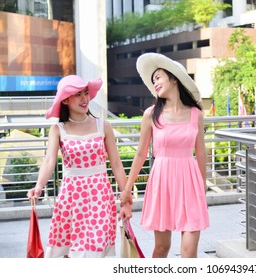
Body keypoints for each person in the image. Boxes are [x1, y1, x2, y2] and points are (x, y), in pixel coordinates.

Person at [119, 53, 209, 258]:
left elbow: (201, 152)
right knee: (162, 248)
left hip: (190, 182)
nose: (155, 83)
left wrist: (203, 183)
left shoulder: (196, 114)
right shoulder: (151, 114)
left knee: (189, 251)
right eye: (153, 81)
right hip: (162, 182)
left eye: (158, 77)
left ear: (174, 77)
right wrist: (127, 190)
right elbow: (141, 153)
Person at [27, 75, 128, 258]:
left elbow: (117, 165)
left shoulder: (103, 125)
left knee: (97, 251)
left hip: (100, 198)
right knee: (72, 254)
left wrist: (126, 199)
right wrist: (39, 186)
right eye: (78, 94)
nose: (85, 99)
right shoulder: (58, 129)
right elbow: (50, 161)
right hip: (71, 200)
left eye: (86, 93)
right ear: (65, 100)